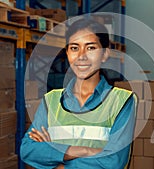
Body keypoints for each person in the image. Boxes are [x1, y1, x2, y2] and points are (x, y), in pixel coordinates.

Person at [20, 16, 137, 169]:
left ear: (105, 54)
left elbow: (113, 161)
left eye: (91, 48)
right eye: (74, 48)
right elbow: (28, 150)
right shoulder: (51, 101)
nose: (81, 56)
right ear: (67, 53)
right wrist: (82, 150)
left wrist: (57, 162)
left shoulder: (122, 101)